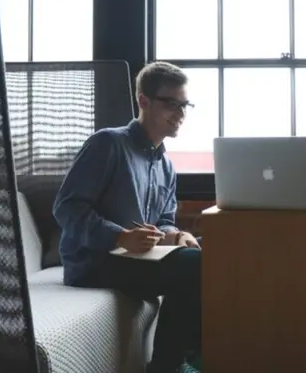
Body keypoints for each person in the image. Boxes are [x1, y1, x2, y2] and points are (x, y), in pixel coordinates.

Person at [53, 61, 202, 373]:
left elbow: (163, 219)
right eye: (170, 103)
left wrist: (175, 234)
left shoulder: (166, 165)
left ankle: (179, 362)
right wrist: (120, 236)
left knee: (210, 255)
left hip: (138, 260)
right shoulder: (108, 143)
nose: (180, 113)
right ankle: (169, 366)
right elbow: (67, 208)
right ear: (144, 101)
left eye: (184, 104)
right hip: (94, 263)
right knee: (197, 266)